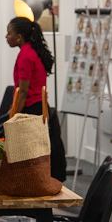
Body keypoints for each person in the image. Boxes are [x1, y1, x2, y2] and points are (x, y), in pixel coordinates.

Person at [5, 16, 66, 181]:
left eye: (9, 33)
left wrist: (15, 116)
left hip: (31, 109)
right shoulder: (32, 50)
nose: (6, 37)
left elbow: (23, 92)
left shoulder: (25, 55)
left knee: (29, 158)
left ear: (19, 37)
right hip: (39, 106)